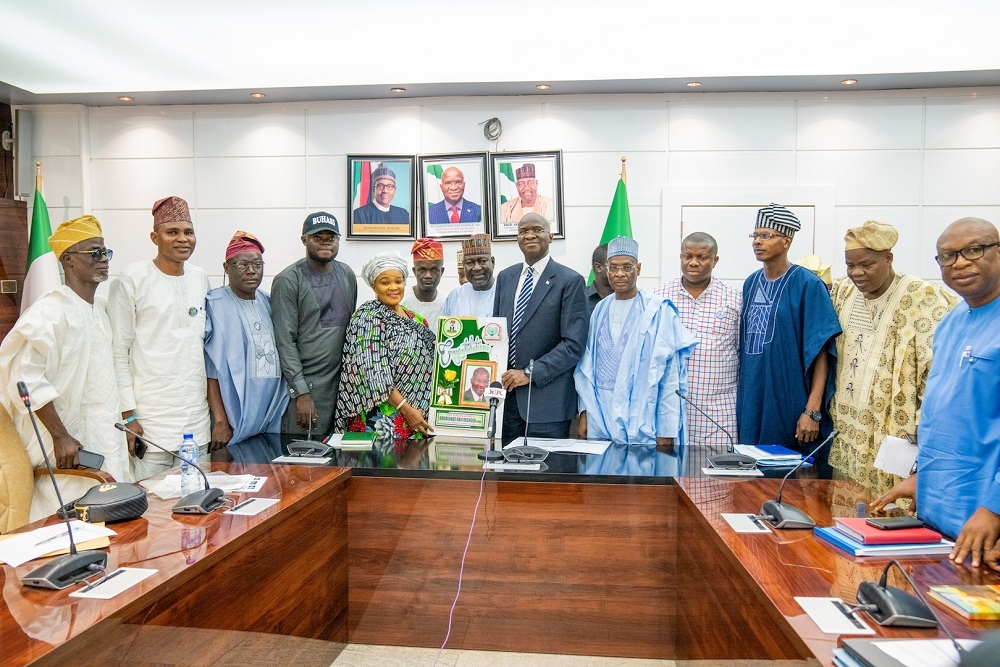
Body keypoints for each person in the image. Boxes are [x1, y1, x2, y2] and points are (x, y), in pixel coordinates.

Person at [875, 217, 1000, 570]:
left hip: (984, 529)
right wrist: (924, 478)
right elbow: (946, 416)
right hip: (937, 519)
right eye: (946, 256)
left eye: (973, 250)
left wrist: (993, 510)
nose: (959, 262)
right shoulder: (952, 321)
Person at [0, 215, 132, 499]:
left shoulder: (101, 309)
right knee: (68, 525)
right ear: (68, 260)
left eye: (105, 252)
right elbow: (25, 379)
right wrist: (60, 436)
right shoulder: (50, 311)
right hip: (67, 445)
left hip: (105, 437)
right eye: (94, 253)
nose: (103, 259)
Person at [829, 221, 954, 495]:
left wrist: (926, 430)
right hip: (850, 434)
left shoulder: (924, 297)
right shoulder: (844, 292)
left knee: (894, 516)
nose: (857, 273)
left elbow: (941, 372)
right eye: (850, 265)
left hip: (899, 432)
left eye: (867, 264)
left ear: (889, 258)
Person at [108, 196, 211, 478]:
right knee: (152, 513)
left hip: (196, 425)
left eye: (188, 232)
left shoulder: (200, 277)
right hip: (150, 425)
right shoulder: (132, 279)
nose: (182, 239)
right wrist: (128, 415)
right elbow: (118, 352)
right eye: (172, 232)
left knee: (199, 508)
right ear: (155, 237)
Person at [737, 203, 841, 454]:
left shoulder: (808, 284)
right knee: (751, 472)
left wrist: (812, 410)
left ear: (787, 241)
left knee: (793, 477)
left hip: (790, 398)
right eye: (755, 236)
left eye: (765, 236)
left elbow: (822, 351)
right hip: (752, 398)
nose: (757, 242)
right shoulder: (751, 283)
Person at [576, 237, 696, 445]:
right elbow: (586, 368)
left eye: (627, 267)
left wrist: (666, 429)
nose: (620, 274)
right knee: (603, 475)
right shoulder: (599, 310)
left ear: (638, 269)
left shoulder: (659, 311)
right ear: (605, 269)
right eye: (613, 268)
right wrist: (585, 412)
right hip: (601, 413)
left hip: (642, 413)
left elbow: (671, 376)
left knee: (642, 474)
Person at [494, 213, 588, 444]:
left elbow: (573, 345)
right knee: (506, 476)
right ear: (517, 239)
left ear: (551, 236)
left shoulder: (570, 281)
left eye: (537, 229)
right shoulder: (505, 277)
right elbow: (497, 333)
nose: (530, 235)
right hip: (507, 402)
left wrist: (529, 373)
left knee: (544, 476)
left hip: (548, 404)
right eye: (523, 231)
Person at [271, 212, 357, 436]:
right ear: (304, 240)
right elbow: (284, 341)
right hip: (307, 390)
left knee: (338, 459)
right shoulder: (288, 280)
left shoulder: (347, 274)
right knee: (303, 461)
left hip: (341, 388)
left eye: (331, 237)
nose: (325, 241)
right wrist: (300, 393)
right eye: (318, 237)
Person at [654, 232, 741, 450]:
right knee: (672, 478)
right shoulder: (659, 297)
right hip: (671, 413)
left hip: (720, 414)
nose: (693, 263)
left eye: (702, 257)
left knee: (719, 479)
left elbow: (742, 351)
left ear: (715, 260)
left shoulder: (734, 298)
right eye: (687, 256)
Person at [334, 253, 436, 439]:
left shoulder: (417, 320)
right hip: (380, 420)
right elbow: (374, 374)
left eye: (398, 281)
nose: (393, 287)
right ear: (374, 285)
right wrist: (405, 409)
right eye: (385, 282)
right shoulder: (368, 318)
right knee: (381, 466)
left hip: (417, 416)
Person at [204, 231, 289, 450]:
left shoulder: (266, 300)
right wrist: (221, 420)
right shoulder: (216, 304)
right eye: (242, 265)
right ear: (226, 267)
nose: (251, 271)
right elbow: (211, 371)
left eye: (257, 264)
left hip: (269, 415)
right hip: (234, 417)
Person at [441, 234, 496, 317]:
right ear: (464, 265)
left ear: (492, 262)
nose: (476, 268)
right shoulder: (455, 296)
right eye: (470, 263)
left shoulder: (504, 293)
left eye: (482, 261)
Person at [400, 238, 446, 325]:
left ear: (442, 272)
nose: (428, 275)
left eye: (434, 270)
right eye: (422, 270)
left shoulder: (447, 303)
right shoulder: (401, 300)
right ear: (414, 271)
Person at [586, 243, 612, 316]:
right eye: (613, 266)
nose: (620, 272)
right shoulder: (580, 298)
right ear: (598, 267)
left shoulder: (626, 298)